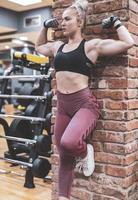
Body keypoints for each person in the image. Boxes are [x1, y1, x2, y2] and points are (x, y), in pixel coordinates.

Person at [35, 0, 134, 199]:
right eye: (61, 19)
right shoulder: (57, 47)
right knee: (63, 153)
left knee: (70, 143)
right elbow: (38, 47)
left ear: (79, 22)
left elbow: (128, 42)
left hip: (84, 105)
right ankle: (64, 196)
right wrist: (45, 27)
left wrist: (116, 23)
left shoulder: (90, 46)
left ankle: (85, 151)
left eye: (67, 19)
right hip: (63, 106)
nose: (62, 23)